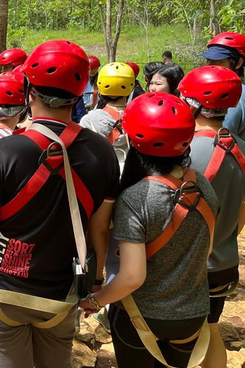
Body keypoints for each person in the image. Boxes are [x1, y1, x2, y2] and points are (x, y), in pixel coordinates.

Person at [0, 40, 119, 368]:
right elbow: (100, 230)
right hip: (61, 292)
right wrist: (97, 279)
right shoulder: (102, 153)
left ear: (28, 91)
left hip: (4, 289)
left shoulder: (4, 152)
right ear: (79, 96)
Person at [79, 92, 218, 368]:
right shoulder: (203, 186)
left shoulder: (135, 198)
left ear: (133, 139)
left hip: (140, 316)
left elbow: (132, 276)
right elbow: (206, 250)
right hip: (192, 314)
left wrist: (95, 302)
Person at [178, 66, 245, 368]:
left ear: (192, 103)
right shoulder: (242, 149)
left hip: (183, 266)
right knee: (211, 329)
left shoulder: (182, 150)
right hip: (223, 263)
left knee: (176, 340)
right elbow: (241, 214)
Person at [80, 62, 136, 167]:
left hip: (102, 174)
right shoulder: (138, 117)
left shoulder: (89, 120)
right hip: (131, 175)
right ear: (131, 87)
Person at [199, 32, 245, 137]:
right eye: (208, 60)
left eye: (217, 61)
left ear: (238, 63)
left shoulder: (233, 95)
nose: (210, 65)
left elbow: (221, 139)